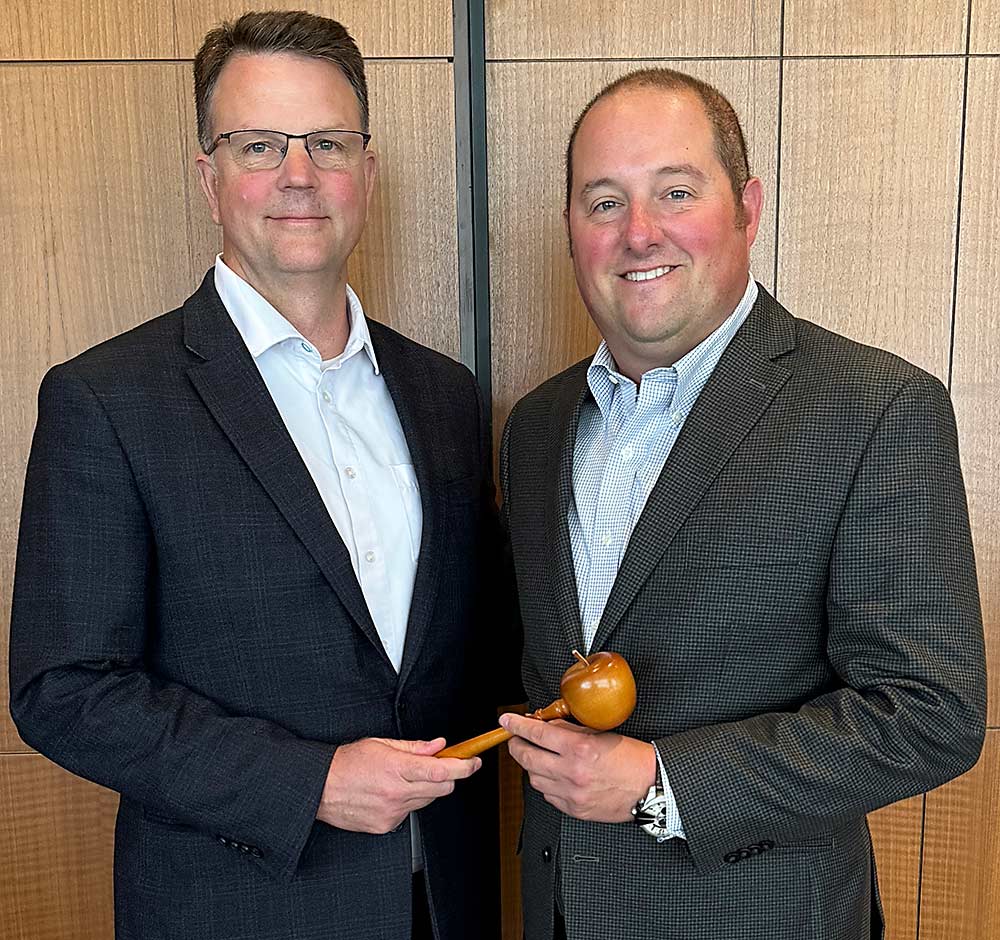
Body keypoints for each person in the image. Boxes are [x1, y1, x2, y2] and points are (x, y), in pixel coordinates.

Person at [9, 10, 508, 940]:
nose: (297, 174)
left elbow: (471, 649)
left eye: (328, 141)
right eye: (257, 145)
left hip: (441, 903)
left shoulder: (444, 394)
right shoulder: (108, 399)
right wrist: (307, 781)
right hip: (235, 909)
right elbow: (64, 689)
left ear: (368, 168)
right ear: (208, 178)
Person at [498, 67, 986, 940]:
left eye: (675, 191)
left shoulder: (875, 407)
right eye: (603, 202)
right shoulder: (535, 427)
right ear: (571, 229)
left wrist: (663, 782)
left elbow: (929, 713)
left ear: (748, 208)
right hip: (561, 910)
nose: (638, 232)